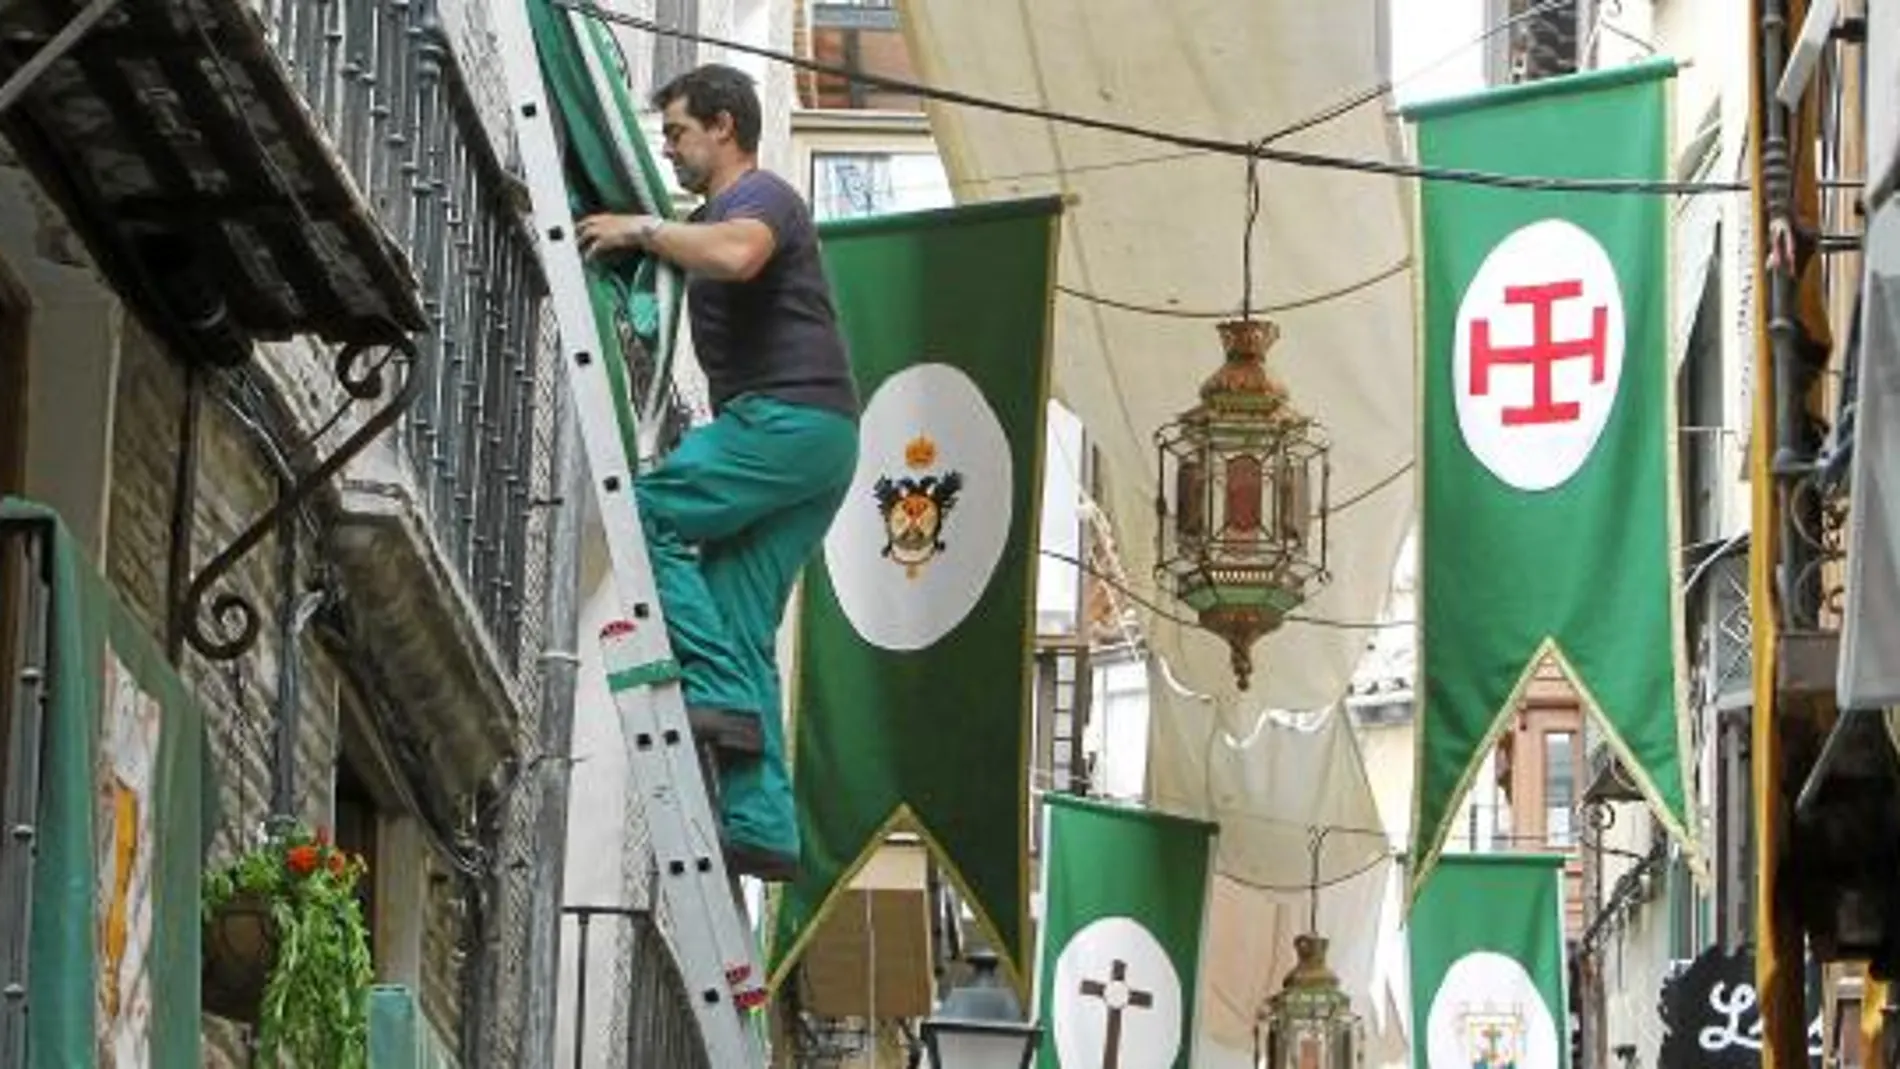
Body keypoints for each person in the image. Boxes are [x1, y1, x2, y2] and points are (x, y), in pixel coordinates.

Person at [575, 64, 859, 882]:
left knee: (644, 513)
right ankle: (764, 823)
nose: (668, 148)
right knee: (737, 616)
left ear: (725, 126)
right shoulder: (708, 213)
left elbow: (736, 256)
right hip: (815, 440)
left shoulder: (759, 199)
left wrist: (643, 231)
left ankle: (723, 696)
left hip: (785, 422)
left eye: (677, 132)